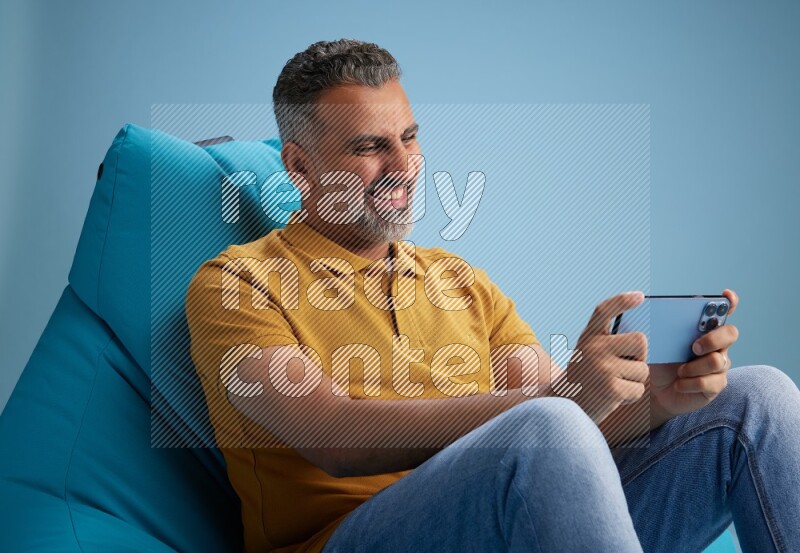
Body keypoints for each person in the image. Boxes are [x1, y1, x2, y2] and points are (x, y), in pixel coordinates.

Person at [185, 39, 800, 553]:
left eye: (409, 136)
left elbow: (572, 433)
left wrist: (656, 402)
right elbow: (333, 436)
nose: (404, 164)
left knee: (758, 398)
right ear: (299, 165)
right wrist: (560, 402)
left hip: (510, 526)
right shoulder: (237, 282)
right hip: (345, 539)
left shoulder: (462, 282)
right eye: (370, 146)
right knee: (546, 422)